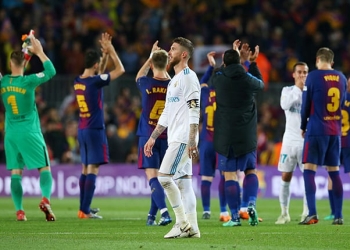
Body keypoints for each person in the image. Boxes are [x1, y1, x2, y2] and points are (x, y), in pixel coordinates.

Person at [144, 37, 200, 238]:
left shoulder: (188, 77)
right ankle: (193, 229)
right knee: (184, 183)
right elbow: (167, 113)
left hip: (184, 137)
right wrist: (152, 137)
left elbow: (195, 109)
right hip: (176, 136)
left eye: (173, 49)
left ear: (183, 54)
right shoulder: (174, 80)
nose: (169, 52)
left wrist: (192, 140)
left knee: (164, 177)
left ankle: (181, 223)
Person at [0, 36, 56, 221]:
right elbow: (51, 71)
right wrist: (38, 51)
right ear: (24, 63)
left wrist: (26, 53)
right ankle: (46, 199)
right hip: (30, 132)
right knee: (45, 168)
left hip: (11, 134)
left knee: (16, 173)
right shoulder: (29, 81)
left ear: (9, 63)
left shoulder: (4, 82)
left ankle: (20, 211)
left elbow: (17, 68)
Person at [210, 40, 264, 227]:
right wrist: (252, 63)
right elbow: (261, 84)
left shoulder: (218, 78)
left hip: (226, 135)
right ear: (240, 62)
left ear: (224, 63)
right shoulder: (248, 79)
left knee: (230, 174)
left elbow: (217, 72)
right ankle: (250, 204)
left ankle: (234, 217)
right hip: (246, 133)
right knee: (250, 170)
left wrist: (234, 57)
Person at [75, 32, 125, 219]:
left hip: (82, 129)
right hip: (95, 130)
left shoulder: (78, 81)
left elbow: (99, 73)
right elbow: (120, 70)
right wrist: (111, 51)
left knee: (85, 168)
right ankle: (85, 211)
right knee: (93, 169)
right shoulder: (95, 82)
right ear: (95, 65)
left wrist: (103, 56)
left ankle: (83, 208)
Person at [299, 47, 347, 225]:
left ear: (318, 59)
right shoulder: (341, 78)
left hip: (317, 129)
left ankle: (312, 213)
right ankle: (338, 215)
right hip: (335, 131)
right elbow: (341, 103)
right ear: (332, 62)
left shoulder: (312, 76)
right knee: (334, 172)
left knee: (309, 171)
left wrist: (303, 126)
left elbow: (305, 105)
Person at [135, 41, 172, 226]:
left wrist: (150, 56)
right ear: (167, 65)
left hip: (147, 135)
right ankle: (151, 216)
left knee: (152, 177)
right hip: (167, 136)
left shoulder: (146, 82)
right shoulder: (173, 85)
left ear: (151, 64)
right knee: (161, 177)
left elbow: (138, 75)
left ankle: (164, 213)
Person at [275, 62, 309, 224]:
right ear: (294, 75)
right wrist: (298, 88)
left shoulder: (312, 92)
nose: (303, 75)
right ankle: (284, 213)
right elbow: (284, 105)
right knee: (286, 176)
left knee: (308, 177)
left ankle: (306, 213)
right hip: (289, 140)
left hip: (306, 141)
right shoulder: (287, 90)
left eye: (305, 72)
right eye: (300, 72)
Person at [199, 51, 230, 222]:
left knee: (206, 177)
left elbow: (202, 82)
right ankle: (223, 210)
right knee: (224, 175)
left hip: (206, 141)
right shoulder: (227, 94)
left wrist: (210, 67)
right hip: (222, 141)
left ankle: (206, 210)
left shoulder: (205, 93)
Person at [324, 77, 350, 221]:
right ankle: (335, 212)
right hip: (348, 141)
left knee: (331, 174)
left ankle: (334, 212)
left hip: (336, 138)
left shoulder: (337, 99)